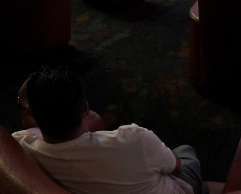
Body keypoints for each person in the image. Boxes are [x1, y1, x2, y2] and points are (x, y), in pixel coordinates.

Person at [13, 65, 208, 194]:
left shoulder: (22, 145)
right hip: (175, 189)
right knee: (185, 152)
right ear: (86, 108)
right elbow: (176, 166)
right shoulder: (136, 139)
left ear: (32, 116)